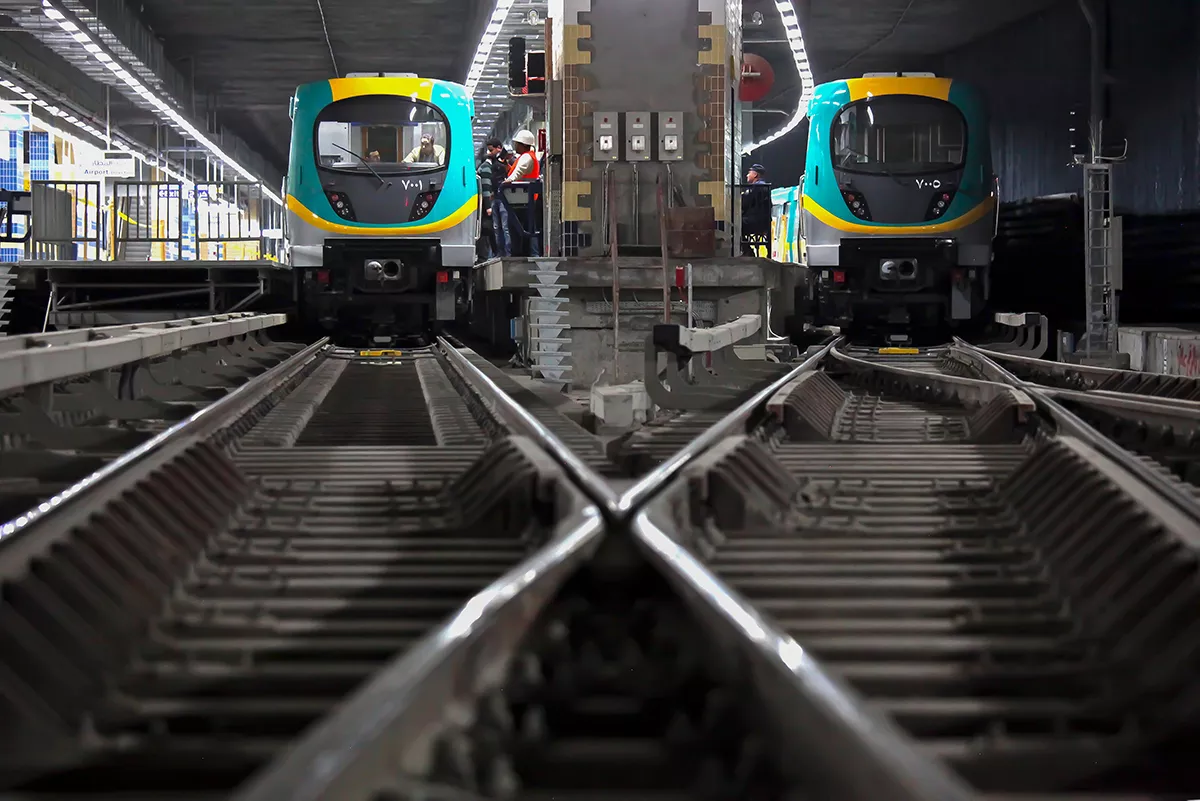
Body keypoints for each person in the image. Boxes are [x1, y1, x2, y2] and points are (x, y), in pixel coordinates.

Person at [499, 130, 541, 255]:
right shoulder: (527, 157)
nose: (515, 146)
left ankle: (527, 254)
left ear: (523, 144)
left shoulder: (527, 157)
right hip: (524, 198)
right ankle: (528, 253)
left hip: (523, 199)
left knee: (520, 230)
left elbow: (518, 172)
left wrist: (508, 181)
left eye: (517, 143)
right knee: (526, 228)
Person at [484, 137, 513, 256]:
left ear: (499, 149)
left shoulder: (507, 164)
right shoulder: (492, 164)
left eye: (491, 150)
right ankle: (499, 252)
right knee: (497, 227)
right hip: (495, 197)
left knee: (505, 227)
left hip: (504, 198)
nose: (489, 153)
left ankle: (508, 253)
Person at [741, 163, 771, 256]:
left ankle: (747, 251)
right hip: (764, 221)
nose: (747, 175)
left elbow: (746, 203)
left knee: (734, 225)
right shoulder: (763, 186)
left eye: (749, 173)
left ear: (755, 175)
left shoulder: (757, 187)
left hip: (755, 221)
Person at [476, 144, 495, 260]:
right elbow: (486, 188)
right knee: (486, 229)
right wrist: (488, 206)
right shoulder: (487, 168)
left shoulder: (482, 167)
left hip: (480, 204)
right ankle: (485, 255)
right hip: (484, 205)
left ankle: (484, 254)